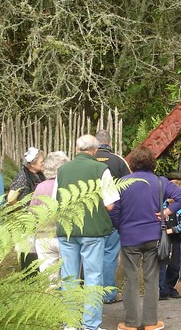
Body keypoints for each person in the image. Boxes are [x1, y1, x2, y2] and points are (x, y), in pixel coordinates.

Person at [109, 146, 181, 330]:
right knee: (152, 279)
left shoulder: (123, 182)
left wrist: (119, 226)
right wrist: (167, 212)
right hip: (154, 236)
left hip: (129, 237)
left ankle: (130, 323)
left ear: (132, 163)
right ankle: (151, 322)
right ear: (152, 162)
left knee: (130, 279)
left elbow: (114, 209)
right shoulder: (160, 182)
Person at [53, 135, 120, 330]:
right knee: (93, 279)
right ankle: (91, 325)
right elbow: (110, 205)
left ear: (76, 148)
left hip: (67, 231)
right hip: (92, 231)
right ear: (95, 150)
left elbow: (56, 200)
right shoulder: (101, 169)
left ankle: (71, 324)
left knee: (69, 279)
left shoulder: (62, 170)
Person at [95, 129, 131, 305]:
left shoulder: (88, 160)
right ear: (110, 142)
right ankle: (108, 294)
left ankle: (90, 294)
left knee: (91, 255)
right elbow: (129, 186)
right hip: (113, 216)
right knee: (110, 255)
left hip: (90, 217)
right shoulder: (119, 161)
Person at [29, 151, 70, 282]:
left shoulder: (40, 187)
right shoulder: (68, 186)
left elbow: (32, 213)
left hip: (43, 237)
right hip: (64, 236)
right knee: (68, 278)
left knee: (49, 280)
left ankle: (50, 301)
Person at [9, 147, 46, 271]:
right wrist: (20, 210)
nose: (43, 163)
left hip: (38, 220)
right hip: (27, 220)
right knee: (28, 250)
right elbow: (10, 198)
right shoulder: (23, 176)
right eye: (41, 161)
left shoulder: (39, 175)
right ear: (32, 163)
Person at [159, 180, 181, 300]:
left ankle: (170, 286)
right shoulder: (162, 205)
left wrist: (170, 231)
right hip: (162, 240)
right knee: (161, 263)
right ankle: (162, 289)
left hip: (175, 239)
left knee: (174, 266)